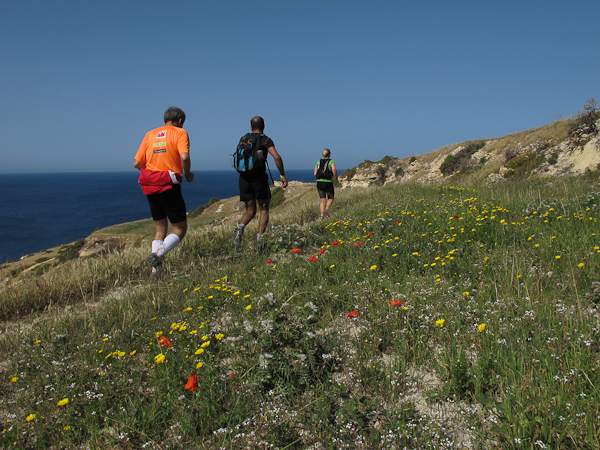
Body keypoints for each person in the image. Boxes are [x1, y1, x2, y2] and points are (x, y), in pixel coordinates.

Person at [133, 107, 195, 277]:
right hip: (169, 184)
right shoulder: (180, 133)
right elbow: (184, 157)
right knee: (179, 229)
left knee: (160, 230)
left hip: (149, 184)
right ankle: (158, 255)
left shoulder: (150, 134)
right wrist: (188, 174)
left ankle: (156, 271)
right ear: (180, 120)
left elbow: (137, 163)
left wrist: (153, 172)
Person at [231, 116, 288, 250]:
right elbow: (277, 157)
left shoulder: (243, 139)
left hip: (244, 179)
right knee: (264, 210)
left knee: (250, 210)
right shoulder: (266, 140)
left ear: (251, 127)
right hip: (259, 180)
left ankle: (240, 228)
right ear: (264, 126)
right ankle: (259, 241)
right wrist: (282, 175)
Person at [314, 148, 338, 218]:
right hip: (328, 182)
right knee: (331, 197)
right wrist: (335, 178)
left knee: (322, 200)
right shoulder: (331, 161)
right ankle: (326, 210)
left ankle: (322, 216)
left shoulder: (318, 162)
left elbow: (315, 173)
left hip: (319, 183)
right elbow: (334, 169)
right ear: (329, 154)